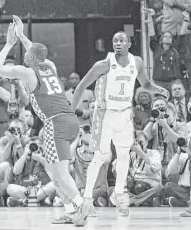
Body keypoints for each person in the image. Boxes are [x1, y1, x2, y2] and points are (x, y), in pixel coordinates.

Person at [0, 16, 86, 227]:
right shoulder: (50, 66)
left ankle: (82, 205)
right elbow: (34, 51)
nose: (24, 53)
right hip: (70, 120)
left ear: (31, 57)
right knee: (54, 172)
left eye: (27, 52)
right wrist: (22, 36)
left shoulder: (27, 71)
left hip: (56, 123)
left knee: (60, 173)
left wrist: (9, 43)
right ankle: (71, 210)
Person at [71, 31, 169, 220]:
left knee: (124, 155)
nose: (118, 43)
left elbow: (146, 83)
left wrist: (158, 89)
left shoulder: (137, 62)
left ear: (129, 43)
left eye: (122, 40)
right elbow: (82, 86)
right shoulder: (104, 64)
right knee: (100, 156)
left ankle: (119, 193)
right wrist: (70, 111)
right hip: (105, 114)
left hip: (125, 114)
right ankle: (87, 199)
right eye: (115, 40)